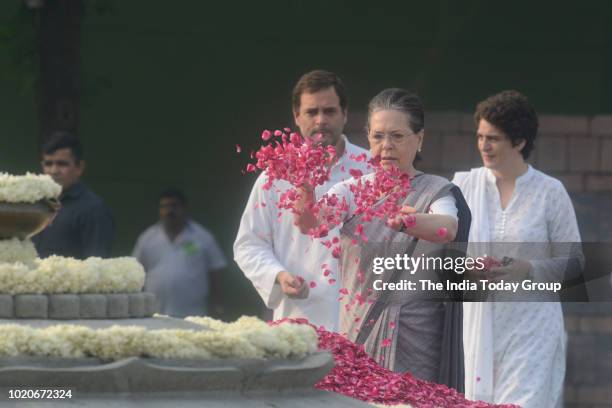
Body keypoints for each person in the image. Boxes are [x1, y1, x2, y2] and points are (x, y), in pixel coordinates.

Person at [295, 88, 470, 390]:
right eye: (377, 136)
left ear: (420, 139)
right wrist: (306, 196)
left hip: (418, 342)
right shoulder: (351, 192)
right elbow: (313, 224)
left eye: (397, 136)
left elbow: (448, 227)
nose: (386, 146)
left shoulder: (436, 190)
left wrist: (409, 221)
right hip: (359, 333)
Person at [453, 90, 582, 407]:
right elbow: (446, 251)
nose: (483, 145)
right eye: (480, 136)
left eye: (493, 138)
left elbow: (576, 264)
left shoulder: (549, 193)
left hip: (532, 330)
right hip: (479, 331)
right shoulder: (464, 188)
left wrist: (530, 269)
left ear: (520, 142)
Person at [233, 70, 371, 331]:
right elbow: (248, 244)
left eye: (329, 111)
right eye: (311, 112)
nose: (321, 120)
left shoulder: (370, 170)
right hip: (298, 319)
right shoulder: (275, 175)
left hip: (361, 318)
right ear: (296, 116)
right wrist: (278, 275)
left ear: (345, 114)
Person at [133, 188, 227, 318]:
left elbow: (216, 271)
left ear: (184, 208)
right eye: (164, 206)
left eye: (174, 206)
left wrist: (217, 304)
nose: (169, 211)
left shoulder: (203, 237)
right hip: (155, 313)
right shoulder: (147, 238)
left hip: (193, 314)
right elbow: (137, 273)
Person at [32, 132, 114, 259]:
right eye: (48, 164)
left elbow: (97, 266)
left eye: (62, 164)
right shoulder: (34, 202)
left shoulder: (93, 209)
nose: (54, 171)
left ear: (79, 168)